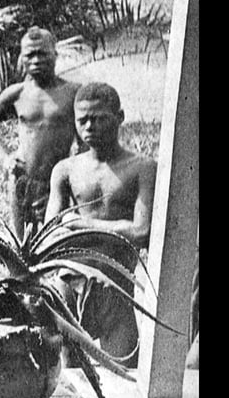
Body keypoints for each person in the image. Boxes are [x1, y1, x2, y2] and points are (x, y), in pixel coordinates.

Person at [44, 82, 157, 367]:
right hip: (71, 283)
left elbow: (141, 231)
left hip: (116, 288)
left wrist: (81, 224)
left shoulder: (142, 168)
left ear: (120, 117)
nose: (89, 126)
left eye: (99, 118)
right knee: (70, 377)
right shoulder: (66, 169)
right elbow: (50, 231)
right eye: (82, 120)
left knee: (124, 372)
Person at [0, 27, 81, 234]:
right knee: (22, 245)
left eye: (42, 53)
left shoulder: (73, 93)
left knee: (57, 239)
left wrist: (80, 165)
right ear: (21, 58)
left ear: (55, 54)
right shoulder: (17, 93)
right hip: (22, 179)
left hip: (58, 181)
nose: (36, 60)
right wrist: (5, 157)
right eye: (30, 55)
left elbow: (85, 138)